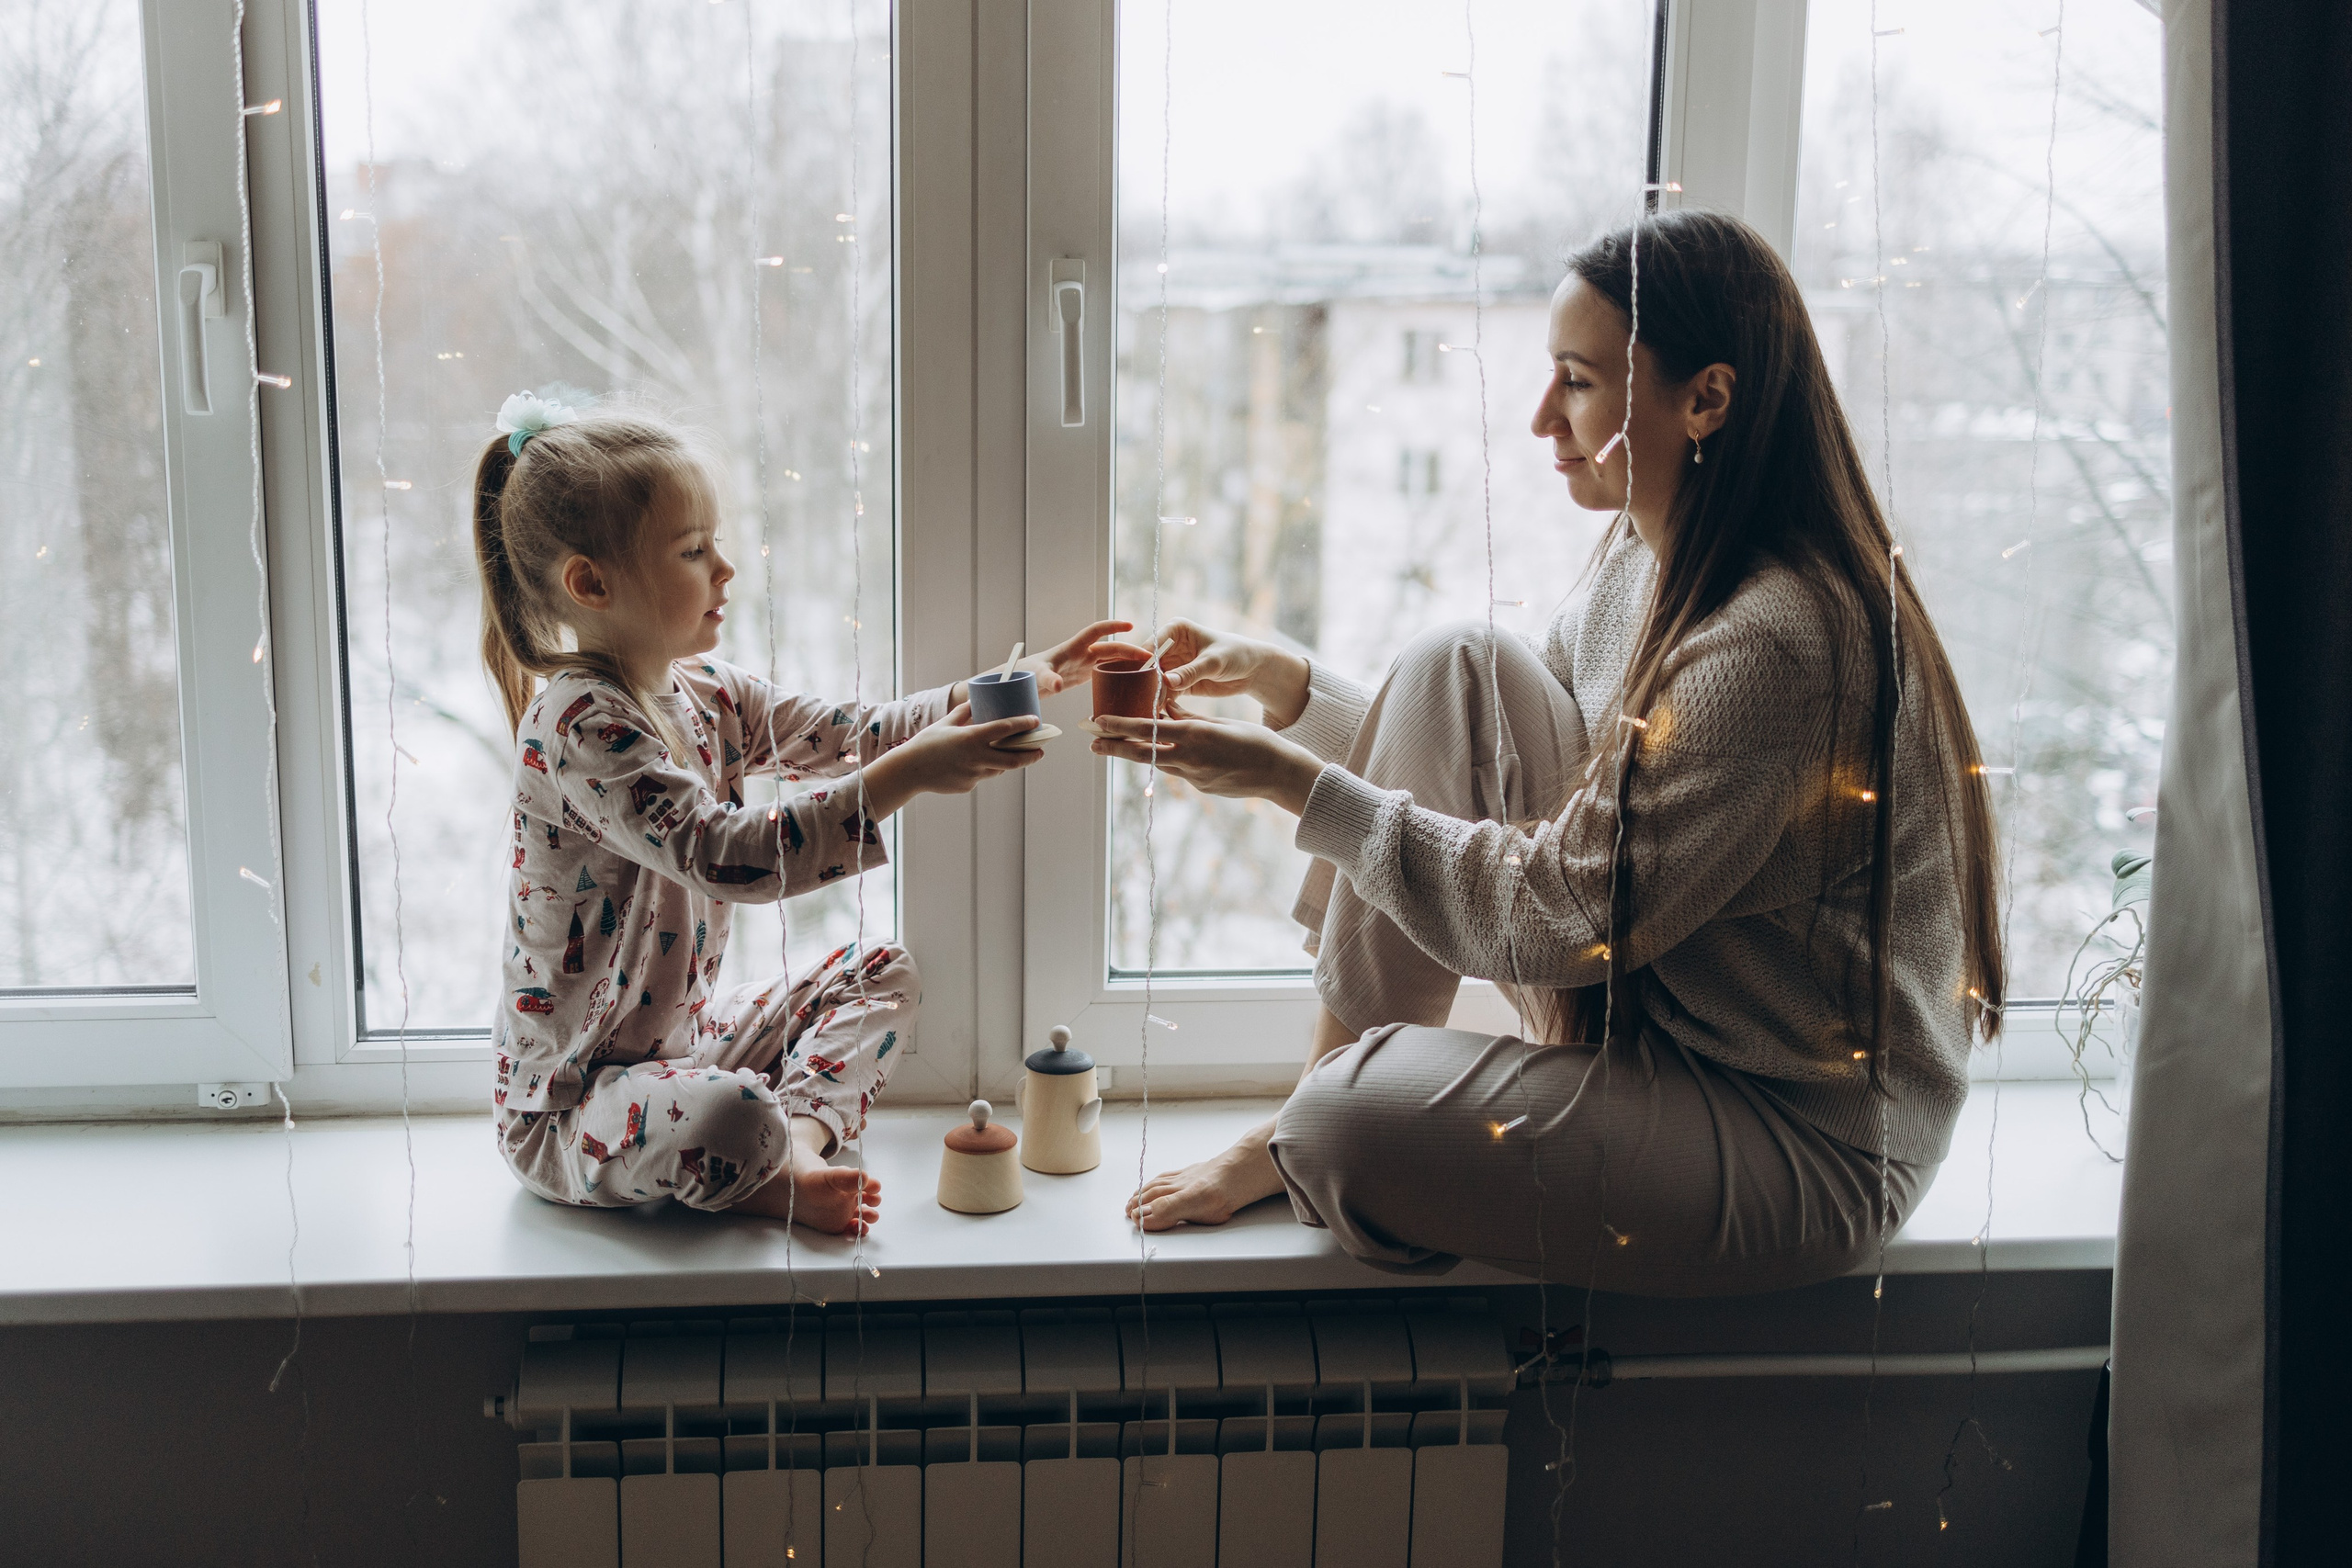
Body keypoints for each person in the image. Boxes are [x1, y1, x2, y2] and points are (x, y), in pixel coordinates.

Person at [1102, 210, 2005, 1295]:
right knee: (1458, 661)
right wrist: (1289, 692)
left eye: (1576, 381)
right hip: (1647, 1031)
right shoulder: (1645, 552)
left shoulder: (1779, 645)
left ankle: (1312, 1123)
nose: (1541, 419)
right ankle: (1302, 1118)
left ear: (1705, 398)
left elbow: (1553, 912)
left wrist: (1292, 786)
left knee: (1353, 1123)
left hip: (1799, 1139)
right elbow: (1495, 759)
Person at [476, 395, 1125, 1235]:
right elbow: (724, 855)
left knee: (883, 969)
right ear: (592, 583)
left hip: (682, 1047)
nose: (726, 570)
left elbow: (848, 735)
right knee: (734, 1112)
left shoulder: (705, 693)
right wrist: (908, 779)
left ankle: (800, 1149)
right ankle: (765, 1157)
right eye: (693, 550)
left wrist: (1006, 687)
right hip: (572, 1107)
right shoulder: (579, 725)